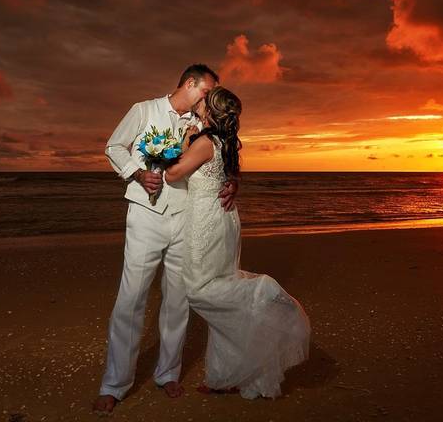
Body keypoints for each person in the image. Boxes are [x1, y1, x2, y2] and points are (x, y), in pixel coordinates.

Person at [93, 65, 239, 414]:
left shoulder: (202, 124)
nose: (209, 99)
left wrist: (232, 181)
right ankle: (114, 383)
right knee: (131, 298)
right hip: (146, 217)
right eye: (206, 92)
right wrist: (138, 172)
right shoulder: (143, 110)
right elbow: (114, 146)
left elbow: (220, 155)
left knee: (178, 299)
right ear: (190, 83)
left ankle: (168, 372)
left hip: (187, 218)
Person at [164, 86, 310, 399]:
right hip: (224, 219)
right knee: (220, 283)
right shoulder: (225, 141)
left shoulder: (203, 142)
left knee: (199, 289)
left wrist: (184, 141)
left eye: (204, 101)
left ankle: (259, 290)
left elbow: (172, 174)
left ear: (211, 111)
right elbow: (226, 176)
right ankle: (225, 376)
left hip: (206, 220)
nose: (199, 103)